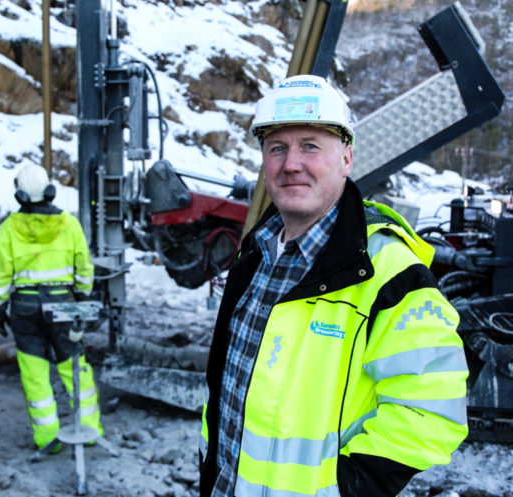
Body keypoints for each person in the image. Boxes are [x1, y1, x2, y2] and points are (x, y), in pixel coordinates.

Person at [199, 75, 469, 497]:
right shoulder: (254, 255)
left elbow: (432, 409)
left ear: (346, 158)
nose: (291, 163)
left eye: (310, 145)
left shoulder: (389, 272)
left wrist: (347, 489)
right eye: (277, 148)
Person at [0, 164, 103, 453]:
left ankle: (47, 440)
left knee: (35, 374)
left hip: (25, 307)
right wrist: (80, 295)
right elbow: (84, 268)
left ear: (20, 195)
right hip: (63, 305)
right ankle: (89, 430)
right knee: (74, 366)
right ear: (50, 191)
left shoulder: (8, 229)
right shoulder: (70, 224)